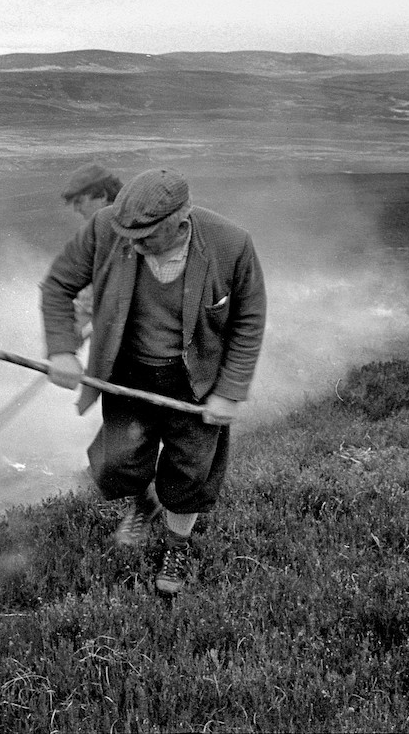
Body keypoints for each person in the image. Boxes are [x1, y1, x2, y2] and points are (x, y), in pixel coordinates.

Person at [39, 168, 267, 595]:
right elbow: (57, 286)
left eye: (144, 238)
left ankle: (177, 543)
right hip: (127, 374)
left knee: (189, 473)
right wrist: (62, 349)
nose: (131, 245)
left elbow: (249, 321)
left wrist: (230, 391)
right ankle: (144, 500)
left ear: (179, 225)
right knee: (118, 461)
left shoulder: (231, 244)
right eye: (126, 235)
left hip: (195, 380)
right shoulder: (108, 227)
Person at [60, 162, 123, 335]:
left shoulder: (119, 230)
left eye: (80, 201)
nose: (76, 209)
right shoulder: (103, 232)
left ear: (102, 196)